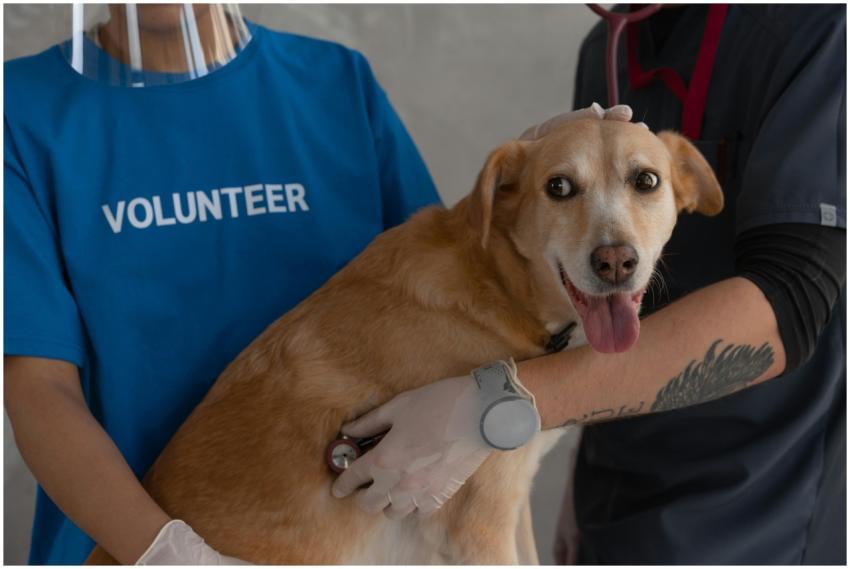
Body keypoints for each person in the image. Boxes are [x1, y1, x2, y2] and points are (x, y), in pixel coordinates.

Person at [331, 4, 846, 564]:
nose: (613, 252)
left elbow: (793, 299)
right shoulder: (606, 42)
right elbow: (586, 319)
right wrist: (573, 486)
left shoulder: (818, 26)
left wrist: (491, 408)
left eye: (646, 181)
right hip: (612, 492)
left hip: (757, 505)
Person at [4, 4, 442, 564]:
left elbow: (448, 303)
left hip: (347, 540)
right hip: (123, 547)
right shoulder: (18, 110)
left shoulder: (337, 84)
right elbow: (38, 389)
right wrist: (171, 555)